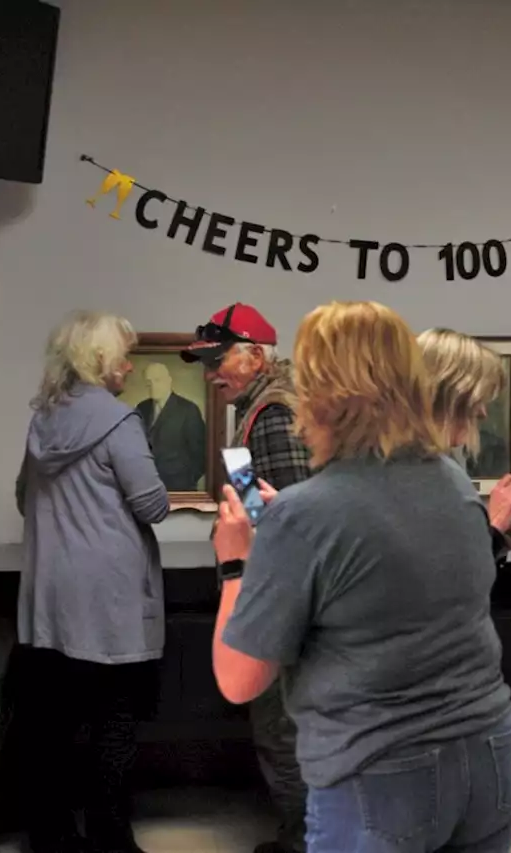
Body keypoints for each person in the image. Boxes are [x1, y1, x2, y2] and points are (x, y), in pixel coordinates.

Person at [211, 300, 511, 853]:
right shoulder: (453, 482)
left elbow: (240, 680)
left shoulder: (304, 516)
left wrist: (238, 560)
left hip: (379, 774)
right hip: (489, 754)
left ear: (319, 396)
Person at [15, 310, 169, 853]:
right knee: (115, 723)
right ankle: (111, 838)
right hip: (109, 600)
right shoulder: (120, 421)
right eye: (123, 355)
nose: (130, 365)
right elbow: (152, 506)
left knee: (55, 728)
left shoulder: (43, 421)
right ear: (100, 361)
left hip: (50, 598)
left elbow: (22, 499)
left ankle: (54, 837)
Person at [182, 302, 312, 853]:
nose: (211, 375)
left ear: (255, 356)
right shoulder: (259, 409)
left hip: (282, 604)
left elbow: (292, 522)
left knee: (284, 733)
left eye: (219, 361)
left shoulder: (276, 413)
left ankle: (305, 842)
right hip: (274, 598)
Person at [417, 327, 511, 559]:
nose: (483, 413)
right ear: (448, 393)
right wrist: (495, 526)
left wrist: (497, 539)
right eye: (477, 398)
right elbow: (437, 573)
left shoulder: (436, 465)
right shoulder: (411, 474)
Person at [135, 362, 207, 491]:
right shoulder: (142, 408)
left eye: (157, 380)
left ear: (169, 381)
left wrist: (187, 481)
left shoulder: (188, 410)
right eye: (148, 382)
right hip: (148, 488)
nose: (152, 386)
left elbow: (200, 454)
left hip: (180, 488)